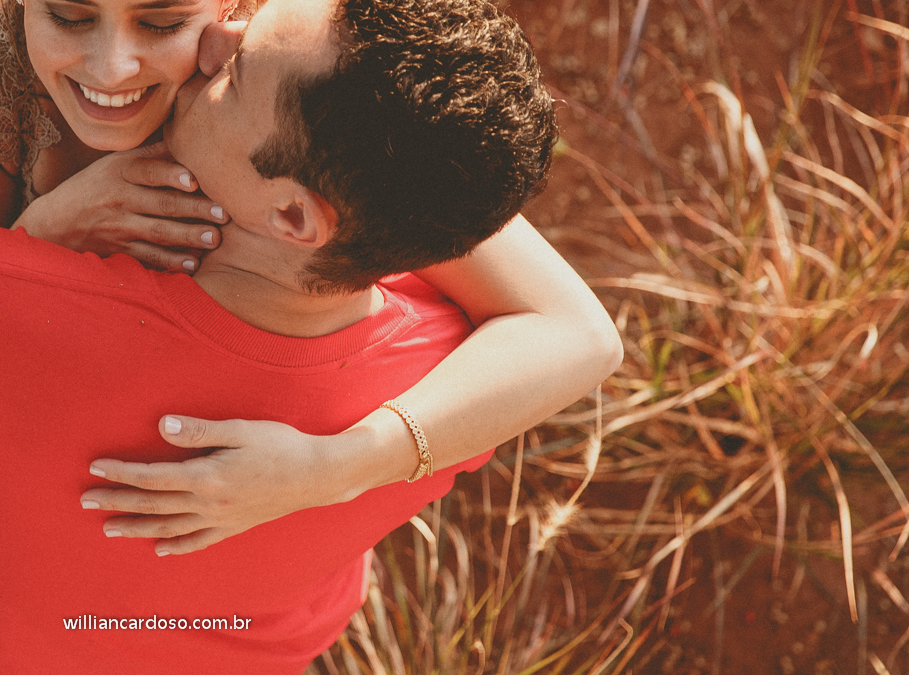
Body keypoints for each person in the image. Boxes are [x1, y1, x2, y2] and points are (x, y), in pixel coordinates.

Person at [0, 0, 569, 671]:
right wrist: (346, 466)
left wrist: (34, 245)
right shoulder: (451, 371)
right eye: (69, 16)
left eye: (163, 24)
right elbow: (555, 324)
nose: (114, 64)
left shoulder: (34, 311)